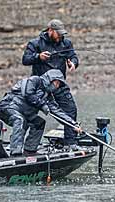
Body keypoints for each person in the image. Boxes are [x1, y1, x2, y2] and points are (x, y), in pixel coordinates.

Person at [22, 19, 81, 150]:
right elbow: (25, 60)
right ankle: (22, 145)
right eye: (57, 33)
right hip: (40, 87)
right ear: (50, 31)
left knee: (70, 110)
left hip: (59, 85)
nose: (60, 36)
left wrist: (73, 63)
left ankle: (70, 143)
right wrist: (38, 57)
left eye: (62, 33)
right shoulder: (35, 43)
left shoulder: (66, 43)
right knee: (28, 113)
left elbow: (74, 56)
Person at [0, 69, 82, 156]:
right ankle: (15, 152)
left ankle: (30, 150)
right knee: (19, 120)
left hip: (25, 113)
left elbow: (57, 112)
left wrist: (72, 124)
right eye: (57, 83)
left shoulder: (48, 96)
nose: (57, 86)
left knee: (39, 123)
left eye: (59, 85)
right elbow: (28, 94)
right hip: (7, 107)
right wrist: (42, 105)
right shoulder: (34, 80)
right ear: (50, 79)